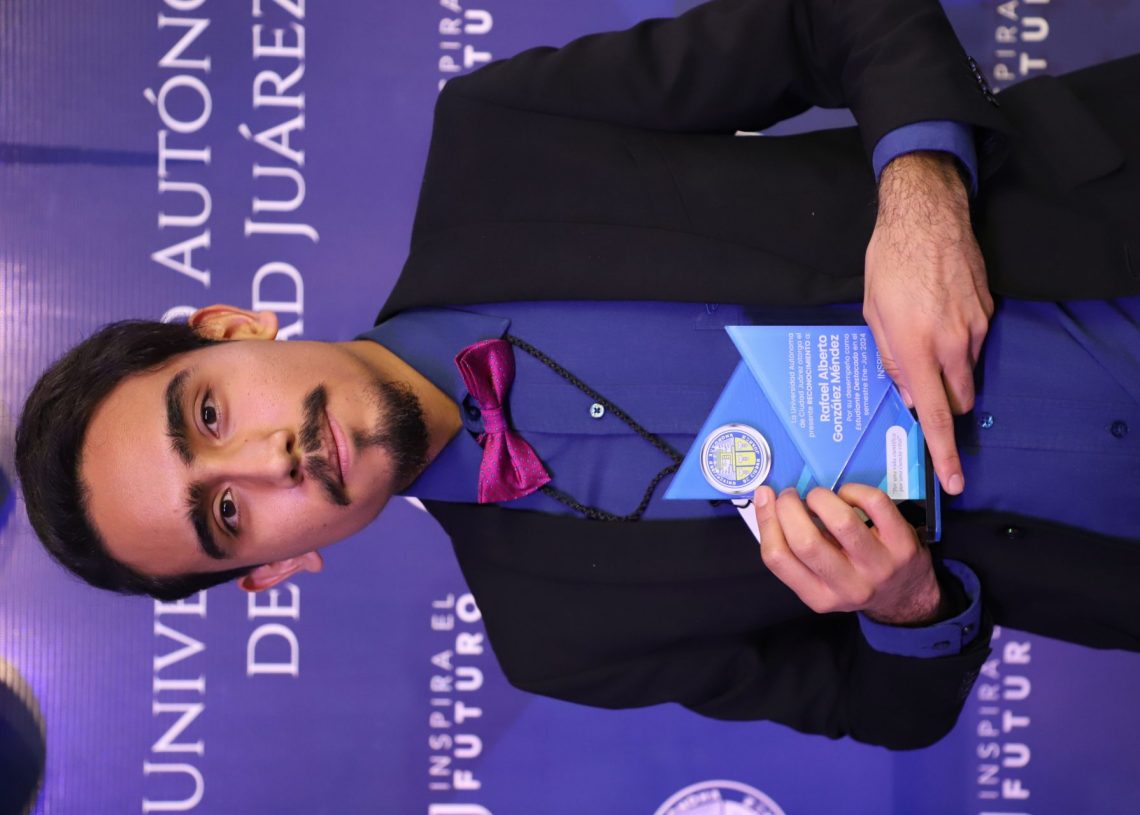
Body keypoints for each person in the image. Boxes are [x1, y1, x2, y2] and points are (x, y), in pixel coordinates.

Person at [14, 0, 1140, 750]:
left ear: (232, 327)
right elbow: (889, 708)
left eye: (209, 412)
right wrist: (903, 606)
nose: (270, 461)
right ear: (272, 567)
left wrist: (920, 191)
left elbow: (827, 16)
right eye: (225, 514)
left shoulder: (501, 140)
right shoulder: (563, 639)